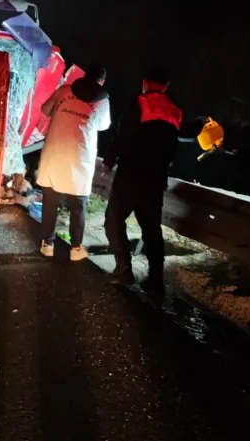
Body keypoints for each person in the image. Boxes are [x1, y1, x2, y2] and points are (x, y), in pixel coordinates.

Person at [103, 69, 182, 290]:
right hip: (156, 179)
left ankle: (124, 269)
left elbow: (124, 134)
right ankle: (156, 278)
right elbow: (178, 140)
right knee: (151, 228)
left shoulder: (140, 103)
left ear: (145, 83)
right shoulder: (175, 111)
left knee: (114, 220)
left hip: (131, 174)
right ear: (165, 87)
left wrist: (109, 159)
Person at [36, 63, 112, 260]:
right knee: (78, 204)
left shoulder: (64, 90)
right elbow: (104, 126)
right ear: (102, 81)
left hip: (55, 151)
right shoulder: (103, 100)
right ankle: (75, 248)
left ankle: (47, 244)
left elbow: (45, 109)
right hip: (81, 157)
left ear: (85, 75)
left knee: (50, 200)